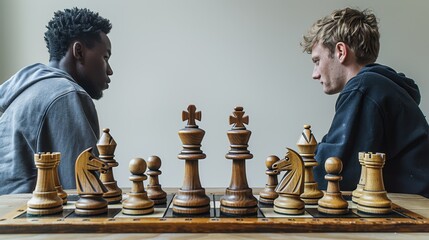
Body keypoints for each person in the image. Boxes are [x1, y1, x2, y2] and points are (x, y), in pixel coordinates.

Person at [301, 7, 429, 197]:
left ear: (341, 51)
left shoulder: (364, 88)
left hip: (414, 216)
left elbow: (333, 172)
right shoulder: (378, 87)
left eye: (317, 60)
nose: (315, 74)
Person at [0, 8, 113, 194]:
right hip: (29, 219)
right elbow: (84, 194)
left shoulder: (26, 91)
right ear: (79, 51)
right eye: (105, 57)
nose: (109, 71)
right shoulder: (66, 94)